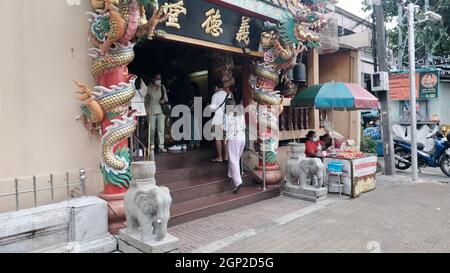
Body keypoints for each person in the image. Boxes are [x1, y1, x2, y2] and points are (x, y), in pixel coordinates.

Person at [224, 99, 246, 194]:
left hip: (234, 139)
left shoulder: (227, 115)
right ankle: (230, 174)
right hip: (242, 139)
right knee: (236, 158)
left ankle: (238, 182)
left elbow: (226, 127)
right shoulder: (241, 115)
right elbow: (244, 126)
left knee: (233, 160)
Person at [145, 72, 168, 153]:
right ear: (153, 79)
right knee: (151, 130)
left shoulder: (162, 87)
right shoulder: (148, 88)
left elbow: (166, 98)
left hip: (161, 111)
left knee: (161, 129)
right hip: (150, 110)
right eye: (157, 78)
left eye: (160, 79)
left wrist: (163, 100)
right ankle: (151, 146)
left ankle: (161, 146)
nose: (159, 80)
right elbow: (145, 100)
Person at [209, 79, 230, 163]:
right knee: (225, 139)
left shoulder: (215, 95)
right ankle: (226, 157)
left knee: (218, 139)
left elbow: (212, 109)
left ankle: (220, 157)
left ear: (216, 87)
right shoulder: (228, 95)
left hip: (217, 119)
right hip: (226, 120)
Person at [188, 82, 202, 149]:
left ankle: (192, 142)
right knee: (196, 127)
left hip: (192, 112)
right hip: (197, 112)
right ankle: (197, 142)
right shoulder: (198, 95)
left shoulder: (190, 94)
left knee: (192, 127)